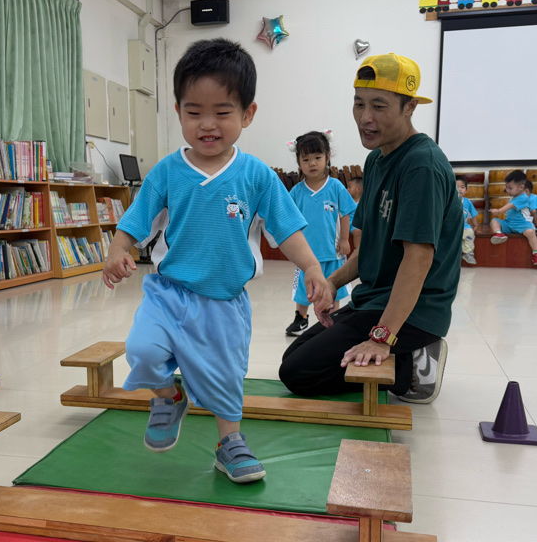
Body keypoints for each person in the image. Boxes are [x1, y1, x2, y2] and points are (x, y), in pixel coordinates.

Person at [102, 38, 333, 484]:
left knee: (226, 378)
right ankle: (168, 396)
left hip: (225, 301)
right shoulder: (167, 172)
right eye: (194, 112)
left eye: (222, 112)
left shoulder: (257, 175)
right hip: (168, 293)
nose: (207, 124)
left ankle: (230, 442)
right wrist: (117, 250)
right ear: (178, 112)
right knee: (142, 351)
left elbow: (287, 229)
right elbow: (136, 220)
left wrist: (311, 267)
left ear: (248, 114)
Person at [279, 52, 463, 404]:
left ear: (410, 107)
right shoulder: (376, 160)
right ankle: (401, 354)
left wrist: (382, 337)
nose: (366, 117)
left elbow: (418, 259)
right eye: (359, 103)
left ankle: (412, 363)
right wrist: (333, 282)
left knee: (299, 373)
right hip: (374, 299)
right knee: (294, 357)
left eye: (379, 106)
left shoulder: (421, 166)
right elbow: (368, 250)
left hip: (416, 310)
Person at [284, 131, 358, 336]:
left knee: (334, 285)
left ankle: (332, 318)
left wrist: (345, 239)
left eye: (317, 157)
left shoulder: (336, 187)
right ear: (299, 162)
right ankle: (301, 318)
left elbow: (346, 213)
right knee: (303, 288)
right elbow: (287, 218)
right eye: (306, 159)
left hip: (332, 252)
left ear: (327, 157)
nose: (312, 163)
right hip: (306, 255)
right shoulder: (296, 192)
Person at [488, 169, 537, 266]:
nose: (507, 190)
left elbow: (510, 206)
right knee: (494, 221)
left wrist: (498, 211)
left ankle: (536, 254)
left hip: (522, 224)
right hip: (509, 223)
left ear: (521, 187)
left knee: (530, 233)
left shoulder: (524, 197)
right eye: (506, 187)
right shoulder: (514, 196)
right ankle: (499, 234)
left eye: (510, 188)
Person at [457, 174, 478, 265]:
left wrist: (475, 225)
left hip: (464, 226)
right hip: (453, 227)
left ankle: (468, 253)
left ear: (466, 189)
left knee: (470, 233)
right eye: (457, 187)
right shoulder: (449, 202)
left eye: (462, 187)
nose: (460, 189)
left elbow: (473, 215)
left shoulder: (467, 202)